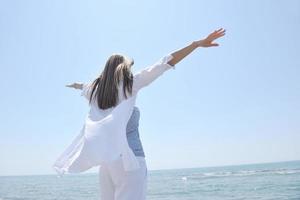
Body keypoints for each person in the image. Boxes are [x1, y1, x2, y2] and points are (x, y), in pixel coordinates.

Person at [64, 28, 226, 200]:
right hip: (130, 161)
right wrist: (195, 44)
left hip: (106, 164)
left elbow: (84, 86)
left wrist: (76, 85)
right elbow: (164, 63)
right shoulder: (129, 85)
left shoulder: (95, 91)